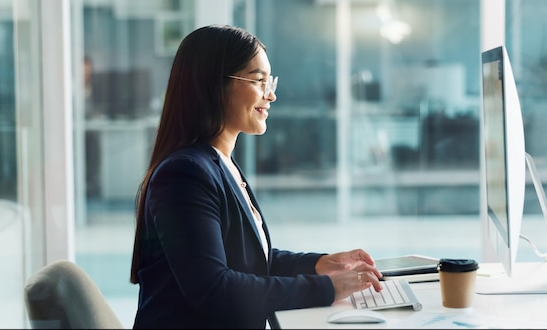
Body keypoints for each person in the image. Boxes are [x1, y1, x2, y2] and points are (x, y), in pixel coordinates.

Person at [129, 24, 383, 329]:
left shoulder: (220, 162)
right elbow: (214, 289)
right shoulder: (185, 174)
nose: (271, 94)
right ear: (213, 85)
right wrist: (329, 288)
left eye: (270, 81)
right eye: (259, 80)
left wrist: (320, 265)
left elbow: (246, 257)